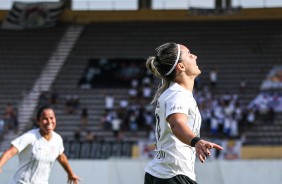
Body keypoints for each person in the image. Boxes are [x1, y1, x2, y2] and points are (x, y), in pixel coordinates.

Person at [144, 42, 223, 184]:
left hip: (163, 174)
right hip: (172, 176)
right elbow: (177, 123)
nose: (195, 56)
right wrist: (197, 141)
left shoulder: (174, 92)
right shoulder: (177, 94)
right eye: (189, 54)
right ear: (181, 66)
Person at [0, 105, 80, 184]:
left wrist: (70, 174)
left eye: (51, 118)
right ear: (38, 121)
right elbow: (10, 152)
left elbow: (61, 156)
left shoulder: (57, 139)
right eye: (45, 119)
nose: (49, 122)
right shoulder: (30, 136)